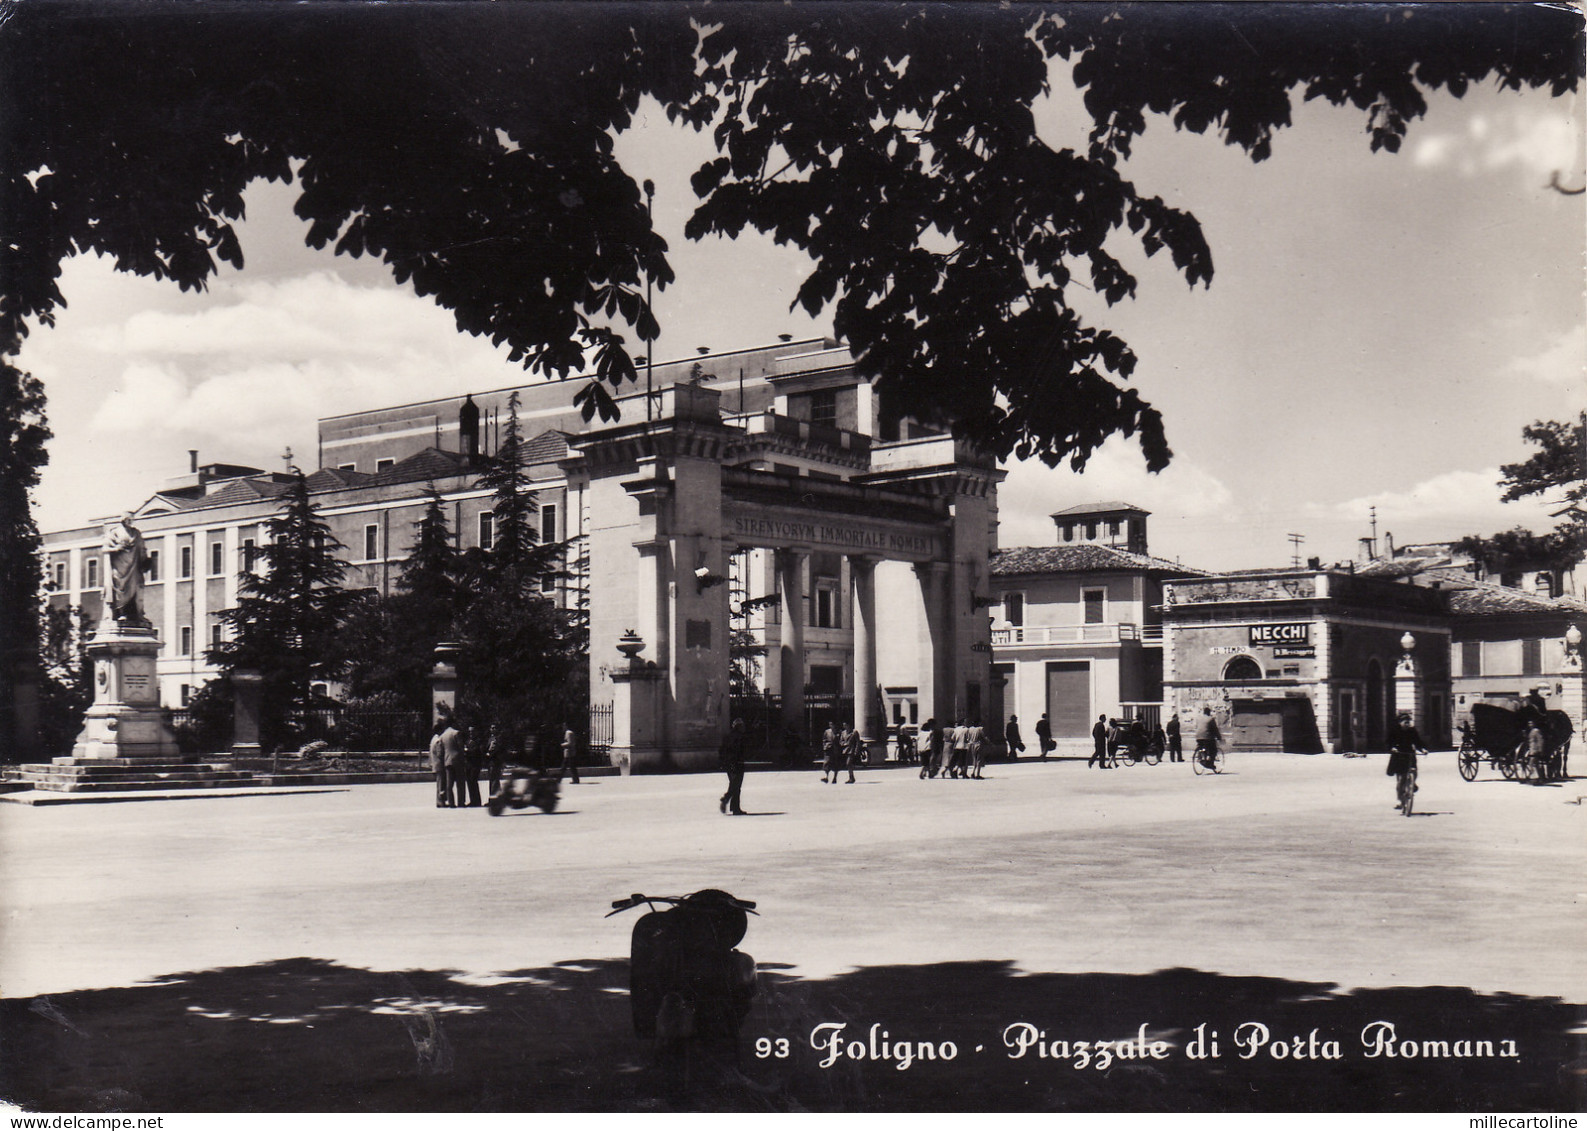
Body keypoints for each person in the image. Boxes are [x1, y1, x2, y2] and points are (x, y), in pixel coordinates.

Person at [104, 512, 149, 624]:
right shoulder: (114, 532)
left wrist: (145, 561)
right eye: (127, 519)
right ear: (122, 520)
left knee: (135, 588)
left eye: (131, 519)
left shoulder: (136, 533)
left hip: (133, 566)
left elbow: (142, 548)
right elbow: (105, 548)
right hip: (119, 567)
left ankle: (134, 614)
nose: (129, 522)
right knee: (119, 588)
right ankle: (120, 613)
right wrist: (117, 548)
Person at [1386, 711, 1426, 811]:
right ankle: (1399, 800)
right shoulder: (1395, 731)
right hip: (1398, 755)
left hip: (1409, 754)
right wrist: (1392, 748)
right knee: (1400, 780)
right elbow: (1388, 742)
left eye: (1408, 721)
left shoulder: (1412, 731)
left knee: (1414, 772)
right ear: (1400, 722)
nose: (1407, 723)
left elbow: (1418, 742)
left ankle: (1412, 783)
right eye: (1405, 721)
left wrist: (1423, 749)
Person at [719, 717, 748, 815]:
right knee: (736, 784)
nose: (744, 727)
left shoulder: (728, 737)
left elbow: (723, 750)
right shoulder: (739, 737)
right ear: (739, 727)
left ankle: (735, 808)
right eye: (742, 726)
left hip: (729, 764)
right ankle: (727, 800)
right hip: (737, 763)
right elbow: (740, 751)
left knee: (734, 783)